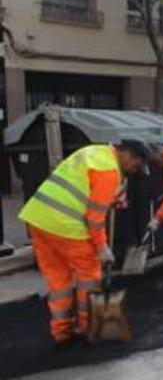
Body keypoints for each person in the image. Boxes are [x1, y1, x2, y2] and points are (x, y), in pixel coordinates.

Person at [18, 140, 149, 346]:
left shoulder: (94, 152)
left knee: (58, 280)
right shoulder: (108, 171)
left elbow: (81, 187)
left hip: (38, 219)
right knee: (89, 274)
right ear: (129, 155)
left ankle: (62, 332)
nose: (135, 170)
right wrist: (102, 248)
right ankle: (87, 326)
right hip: (66, 224)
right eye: (137, 165)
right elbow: (95, 219)